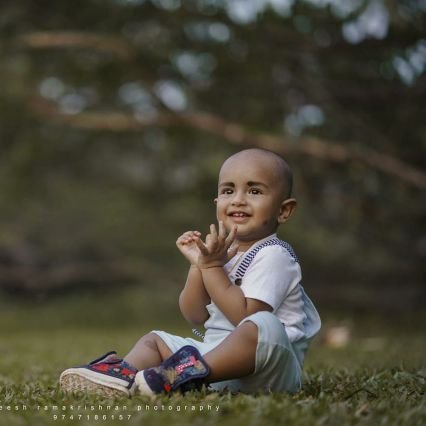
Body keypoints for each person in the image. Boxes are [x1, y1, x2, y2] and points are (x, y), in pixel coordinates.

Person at [59, 148, 321, 398]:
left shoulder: (274, 254)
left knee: (264, 324)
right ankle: (122, 377)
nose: (238, 199)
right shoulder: (219, 253)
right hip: (213, 366)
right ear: (217, 201)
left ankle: (173, 375)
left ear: (283, 210)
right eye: (228, 190)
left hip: (269, 371)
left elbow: (244, 315)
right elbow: (194, 315)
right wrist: (198, 265)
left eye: (254, 190)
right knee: (155, 339)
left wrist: (211, 267)